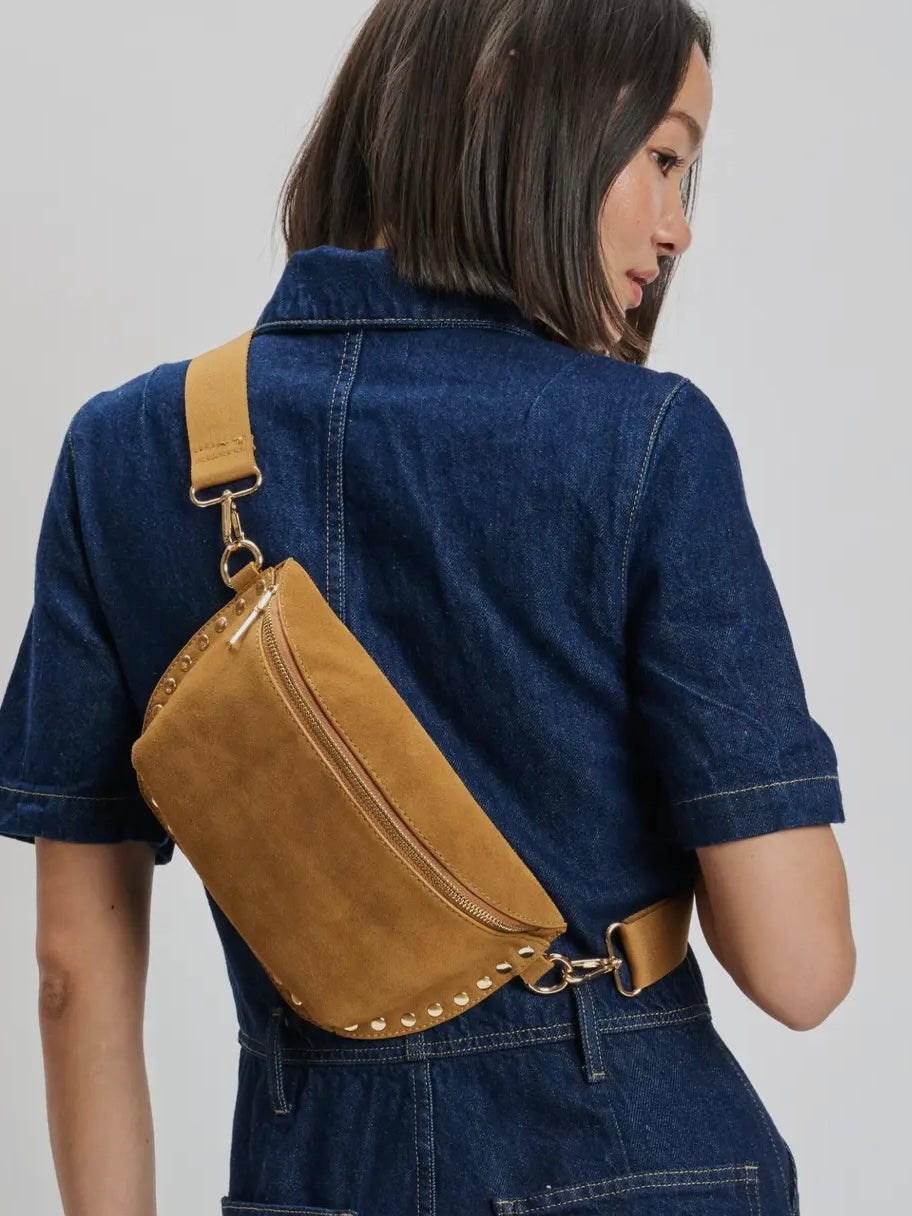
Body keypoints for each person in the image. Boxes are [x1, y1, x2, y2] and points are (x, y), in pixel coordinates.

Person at [0, 2, 854, 1214]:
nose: (679, 226)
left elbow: (71, 970)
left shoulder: (126, 452)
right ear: (509, 91)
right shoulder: (648, 440)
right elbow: (801, 967)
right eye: (665, 156)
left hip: (309, 1177)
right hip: (639, 1160)